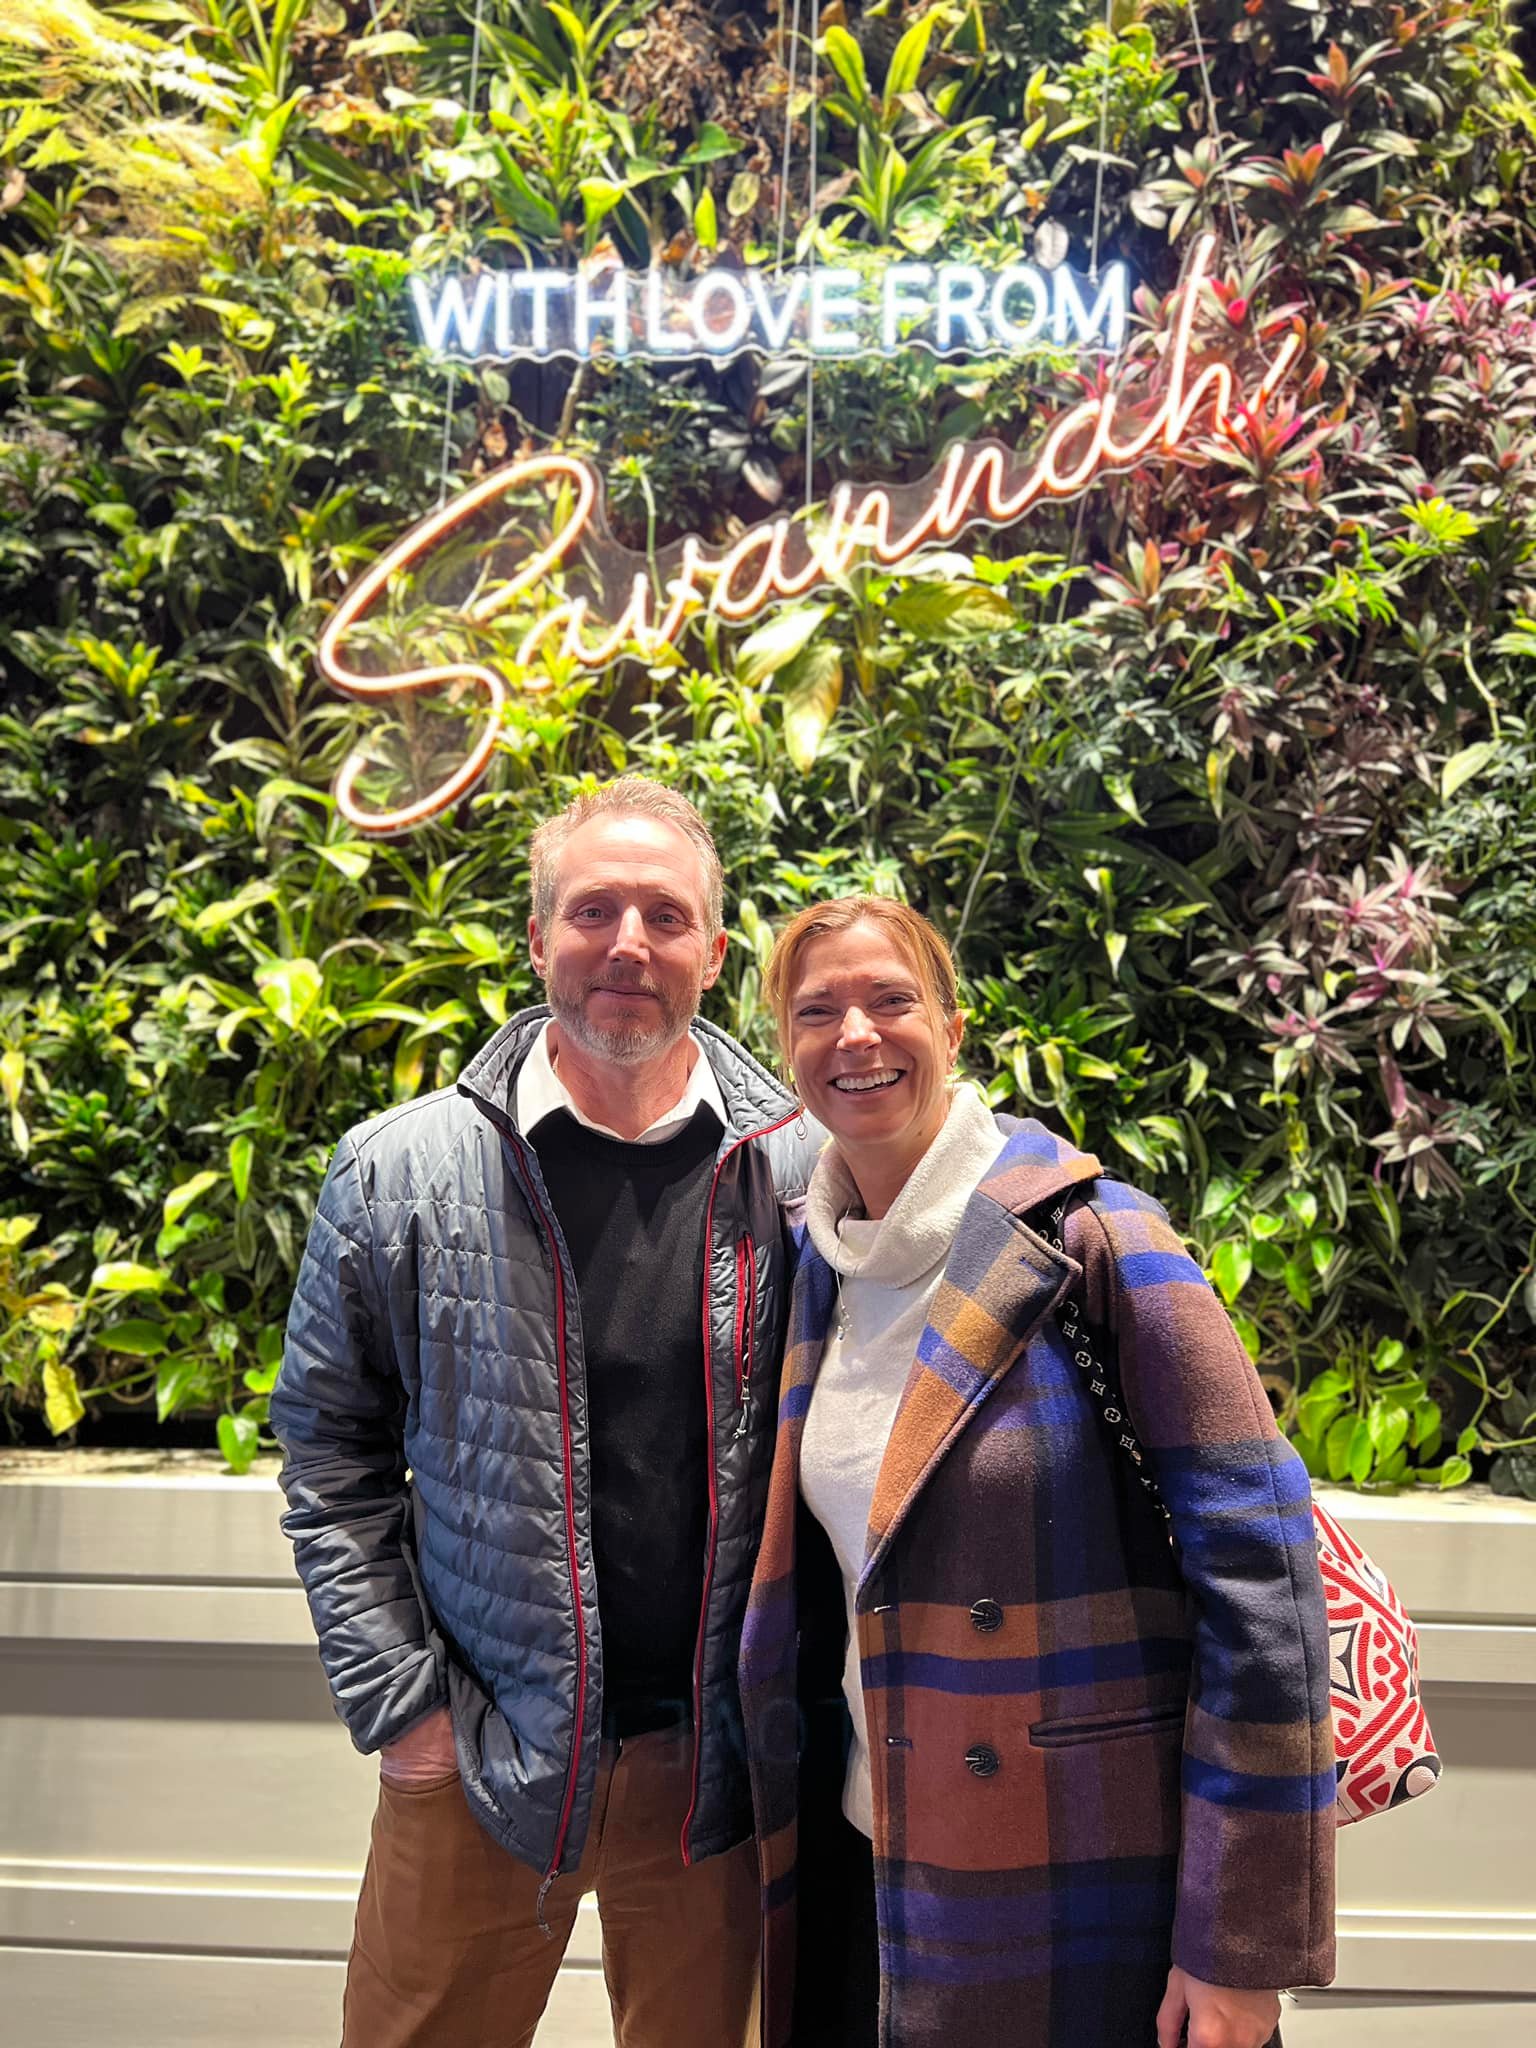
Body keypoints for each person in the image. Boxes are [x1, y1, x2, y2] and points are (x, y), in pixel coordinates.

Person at [271, 777, 820, 2048]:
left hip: (714, 1767)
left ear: (712, 952)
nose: (629, 942)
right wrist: (403, 1711)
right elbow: (327, 1452)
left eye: (665, 915)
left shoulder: (801, 1169)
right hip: (479, 1745)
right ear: (539, 939)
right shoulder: (401, 1169)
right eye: (594, 909)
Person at [739, 895, 1336, 2048]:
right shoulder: (813, 1264)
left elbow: (1264, 1584)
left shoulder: (1093, 1236)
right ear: (788, 1052)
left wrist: (1238, 1944)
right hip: (868, 1852)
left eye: (890, 999)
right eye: (817, 1011)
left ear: (953, 1028)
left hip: (1081, 1860)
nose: (855, 1033)